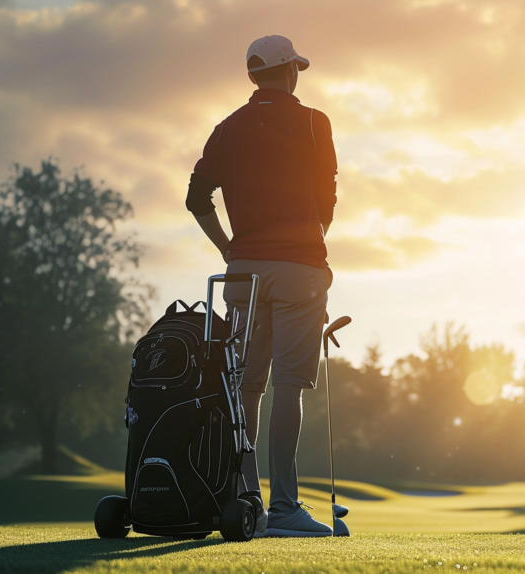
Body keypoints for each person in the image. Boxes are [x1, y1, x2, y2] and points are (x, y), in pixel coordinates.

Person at [185, 35, 338, 537]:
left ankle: (247, 501)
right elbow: (327, 198)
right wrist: (308, 249)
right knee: (288, 387)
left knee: (245, 386)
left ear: (254, 76)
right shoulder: (316, 122)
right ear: (290, 72)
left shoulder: (226, 129)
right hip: (300, 270)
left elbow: (196, 198)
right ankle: (285, 507)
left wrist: (230, 248)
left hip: (243, 272)